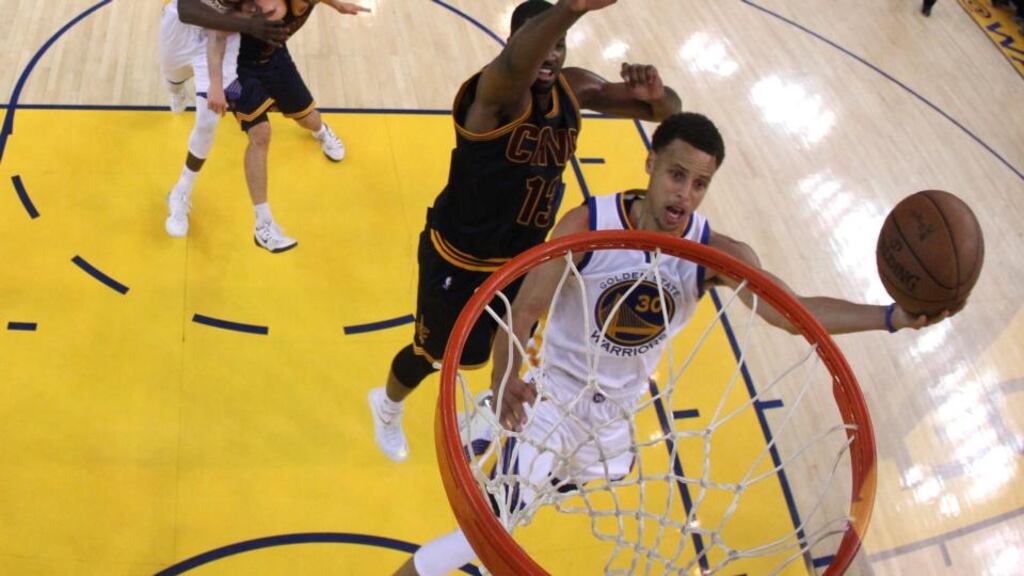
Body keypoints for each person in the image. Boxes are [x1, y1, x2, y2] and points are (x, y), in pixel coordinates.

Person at [393, 112, 958, 576]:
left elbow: (793, 316)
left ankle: (525, 465)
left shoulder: (715, 254)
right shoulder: (587, 224)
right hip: (552, 398)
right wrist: (504, 380)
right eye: (676, 175)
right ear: (650, 165)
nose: (684, 195)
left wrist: (892, 317)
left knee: (599, 475)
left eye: (699, 183)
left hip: (613, 420)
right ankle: (459, 501)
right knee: (488, 528)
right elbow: (523, 314)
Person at [369, 0, 683, 463]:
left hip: (523, 254)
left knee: (514, 342)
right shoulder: (492, 95)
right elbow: (517, 63)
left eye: (559, 46)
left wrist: (657, 94)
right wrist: (572, 9)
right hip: (460, 253)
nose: (551, 56)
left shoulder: (572, 87)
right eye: (542, 44)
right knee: (431, 354)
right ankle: (387, 404)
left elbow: (665, 111)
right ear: (514, 44)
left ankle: (489, 405)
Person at [206, 0, 369, 253]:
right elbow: (216, 34)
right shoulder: (263, 5)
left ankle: (321, 132)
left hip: (275, 59)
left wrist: (338, 6)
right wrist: (215, 84)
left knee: (309, 118)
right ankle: (263, 225)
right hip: (238, 70)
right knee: (260, 134)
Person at [160, 0, 272, 238]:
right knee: (172, 77)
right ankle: (176, 91)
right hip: (182, 26)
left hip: (224, 37)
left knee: (209, 118)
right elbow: (187, 9)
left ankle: (181, 191)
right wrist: (249, 25)